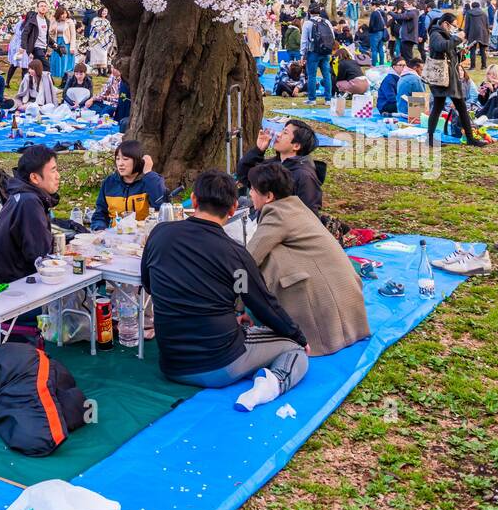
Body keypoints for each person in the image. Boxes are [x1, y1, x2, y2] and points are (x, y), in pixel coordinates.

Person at [140, 169, 308, 408]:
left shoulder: (159, 234)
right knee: (294, 350)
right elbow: (263, 305)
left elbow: (148, 283)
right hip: (220, 365)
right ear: (232, 210)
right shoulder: (235, 253)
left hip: (170, 363)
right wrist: (297, 336)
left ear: (194, 200)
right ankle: (271, 386)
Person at [246, 160, 369, 356]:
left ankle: (289, 325)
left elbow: (247, 260)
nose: (250, 194)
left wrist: (235, 303)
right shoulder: (296, 207)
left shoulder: (277, 214)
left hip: (325, 328)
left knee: (267, 259)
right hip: (350, 313)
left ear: (268, 196)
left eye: (252, 189)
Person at [0, 146, 59, 286]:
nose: (58, 176)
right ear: (34, 177)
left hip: (0, 277)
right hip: (3, 286)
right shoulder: (29, 202)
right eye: (53, 170)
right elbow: (38, 255)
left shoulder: (22, 195)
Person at [237, 120, 324, 213]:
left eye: (285, 133)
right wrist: (258, 150)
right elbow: (245, 176)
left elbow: (309, 214)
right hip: (265, 216)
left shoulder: (304, 176)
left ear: (296, 146)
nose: (278, 134)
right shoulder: (277, 163)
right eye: (282, 130)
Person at [426, 12, 480, 149]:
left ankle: (469, 138)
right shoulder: (435, 34)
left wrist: (461, 53)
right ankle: (432, 139)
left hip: (450, 78)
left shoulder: (445, 35)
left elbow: (450, 54)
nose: (455, 29)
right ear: (445, 24)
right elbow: (441, 47)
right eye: (453, 26)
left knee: (460, 107)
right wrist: (458, 38)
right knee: (439, 108)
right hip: (442, 78)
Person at [90, 140, 166, 228]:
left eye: (125, 159)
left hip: (143, 235)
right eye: (118, 159)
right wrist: (99, 229)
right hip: (115, 235)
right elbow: (100, 213)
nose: (120, 163)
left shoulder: (151, 181)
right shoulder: (109, 182)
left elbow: (162, 207)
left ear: (138, 161)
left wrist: (148, 173)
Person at [299, 1, 334, 104]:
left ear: (309, 11)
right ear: (320, 11)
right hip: (326, 52)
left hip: (313, 52)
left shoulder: (308, 23)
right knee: (326, 75)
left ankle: (312, 99)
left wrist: (302, 54)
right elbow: (333, 37)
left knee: (312, 76)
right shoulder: (326, 22)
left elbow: (304, 40)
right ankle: (328, 99)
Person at [49, 4, 77, 83]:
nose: (63, 15)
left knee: (65, 59)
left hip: (66, 43)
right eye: (62, 14)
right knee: (56, 59)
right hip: (57, 42)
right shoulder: (54, 21)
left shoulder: (69, 22)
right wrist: (53, 28)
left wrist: (72, 47)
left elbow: (73, 35)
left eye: (65, 13)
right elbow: (50, 32)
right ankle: (56, 74)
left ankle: (65, 76)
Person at [20, 1, 50, 67]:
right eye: (41, 6)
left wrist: (54, 44)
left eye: (45, 6)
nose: (43, 8)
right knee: (47, 65)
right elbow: (25, 33)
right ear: (37, 8)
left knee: (38, 68)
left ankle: (32, 77)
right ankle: (48, 77)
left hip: (44, 47)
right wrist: (23, 46)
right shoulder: (33, 20)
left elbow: (46, 35)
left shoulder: (47, 21)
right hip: (36, 47)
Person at [464, 0, 490, 69]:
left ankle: (472, 66)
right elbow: (487, 24)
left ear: (472, 6)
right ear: (479, 6)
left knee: (472, 50)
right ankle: (484, 66)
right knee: (482, 50)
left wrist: (466, 35)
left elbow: (467, 25)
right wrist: (487, 34)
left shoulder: (469, 13)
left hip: (472, 33)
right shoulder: (484, 13)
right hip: (482, 33)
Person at [88, 7, 113, 75]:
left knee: (104, 55)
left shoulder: (107, 21)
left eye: (106, 11)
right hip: (96, 40)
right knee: (97, 55)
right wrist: (99, 29)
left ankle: (104, 71)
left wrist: (106, 32)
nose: (104, 12)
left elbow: (109, 30)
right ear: (100, 11)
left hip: (104, 40)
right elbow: (93, 27)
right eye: (103, 11)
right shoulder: (95, 19)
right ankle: (99, 72)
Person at [367, 0, 388, 67]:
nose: (370, 7)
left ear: (374, 5)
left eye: (371, 5)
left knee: (374, 50)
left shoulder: (374, 13)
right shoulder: (383, 12)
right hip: (382, 32)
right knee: (380, 49)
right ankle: (382, 64)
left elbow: (371, 25)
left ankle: (374, 64)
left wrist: (369, 31)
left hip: (375, 33)